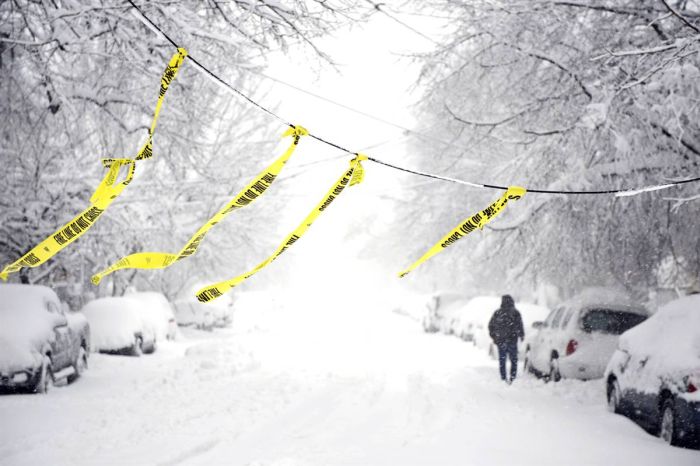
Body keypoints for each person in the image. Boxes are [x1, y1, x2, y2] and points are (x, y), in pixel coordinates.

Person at [488, 294, 525, 384]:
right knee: (513, 359)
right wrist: (521, 335)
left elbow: (490, 326)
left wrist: (494, 337)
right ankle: (513, 377)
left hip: (501, 341)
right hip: (512, 339)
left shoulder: (497, 313)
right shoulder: (515, 313)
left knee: (502, 359)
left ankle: (503, 377)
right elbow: (520, 325)